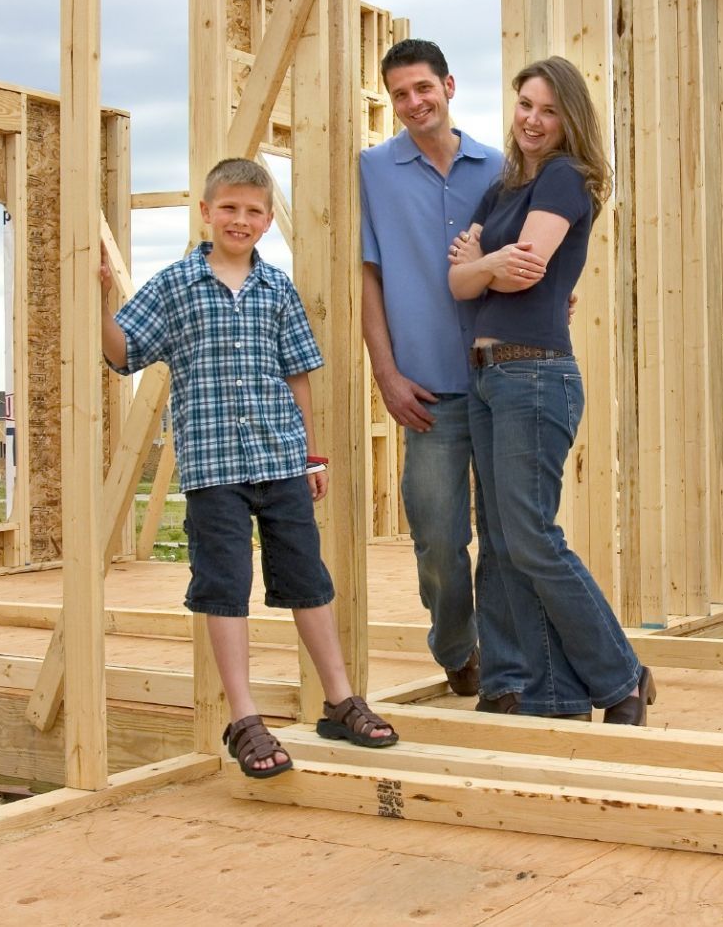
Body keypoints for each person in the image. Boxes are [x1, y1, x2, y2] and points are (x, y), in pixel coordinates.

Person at [102, 156, 397, 777]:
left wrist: (312, 454)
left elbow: (298, 376)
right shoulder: (174, 285)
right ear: (206, 213)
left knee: (308, 581)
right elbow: (124, 353)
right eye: (228, 208)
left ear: (266, 222)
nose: (240, 219)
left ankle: (340, 700)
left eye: (253, 211)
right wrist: (99, 304)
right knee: (225, 587)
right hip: (213, 471)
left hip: (281, 457)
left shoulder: (277, 288)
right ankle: (244, 718)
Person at [447, 56, 655, 725]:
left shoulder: (566, 178)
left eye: (548, 109)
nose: (532, 120)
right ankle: (533, 689)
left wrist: (486, 267)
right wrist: (487, 267)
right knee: (501, 540)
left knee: (532, 536)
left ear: (569, 119)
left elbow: (524, 274)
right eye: (525, 105)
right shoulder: (507, 188)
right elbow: (459, 283)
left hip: (533, 372)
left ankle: (622, 676)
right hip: (486, 376)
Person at [360, 39, 522, 713]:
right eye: (400, 94)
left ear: (449, 85)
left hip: (503, 377)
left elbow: (533, 251)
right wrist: (386, 372)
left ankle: (505, 663)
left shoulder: (502, 167)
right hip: (427, 387)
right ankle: (457, 648)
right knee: (437, 536)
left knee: (511, 535)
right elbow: (368, 277)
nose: (414, 103)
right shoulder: (372, 171)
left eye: (424, 88)